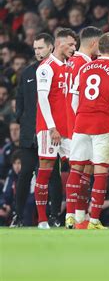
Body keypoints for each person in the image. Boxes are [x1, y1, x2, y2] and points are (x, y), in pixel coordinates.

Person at [69, 32, 109, 229]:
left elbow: (74, 101)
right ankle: (94, 219)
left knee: (77, 169)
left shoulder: (84, 68)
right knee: (100, 172)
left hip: (81, 122)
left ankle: (73, 217)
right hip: (103, 124)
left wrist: (82, 116)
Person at [11, 33, 62, 228]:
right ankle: (18, 215)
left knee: (53, 175)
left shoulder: (56, 69)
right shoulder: (28, 73)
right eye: (35, 49)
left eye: (40, 48)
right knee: (25, 174)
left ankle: (54, 215)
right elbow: (20, 102)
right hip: (29, 132)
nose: (37, 52)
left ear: (50, 47)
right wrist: (22, 120)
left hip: (50, 131)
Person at [34, 28, 77, 229]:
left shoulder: (69, 66)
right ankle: (42, 219)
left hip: (68, 129)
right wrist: (52, 128)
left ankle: (72, 216)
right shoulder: (46, 67)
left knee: (76, 168)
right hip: (49, 129)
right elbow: (43, 98)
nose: (74, 48)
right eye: (71, 44)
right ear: (60, 44)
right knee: (45, 170)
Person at [64, 26, 102, 229]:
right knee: (83, 172)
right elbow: (76, 100)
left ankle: (77, 217)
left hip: (71, 124)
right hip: (81, 124)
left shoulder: (71, 62)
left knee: (81, 171)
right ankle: (77, 216)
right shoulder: (85, 66)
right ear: (94, 43)